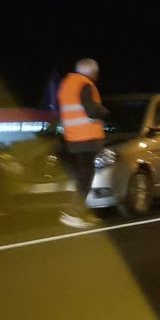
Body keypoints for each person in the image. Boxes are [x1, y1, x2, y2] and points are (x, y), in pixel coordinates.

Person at [57, 58, 109, 229]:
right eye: (96, 73)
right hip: (86, 138)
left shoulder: (67, 84)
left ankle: (81, 213)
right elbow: (91, 111)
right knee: (85, 178)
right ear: (92, 72)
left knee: (81, 177)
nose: (97, 76)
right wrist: (103, 110)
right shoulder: (85, 85)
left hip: (73, 138)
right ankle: (72, 214)